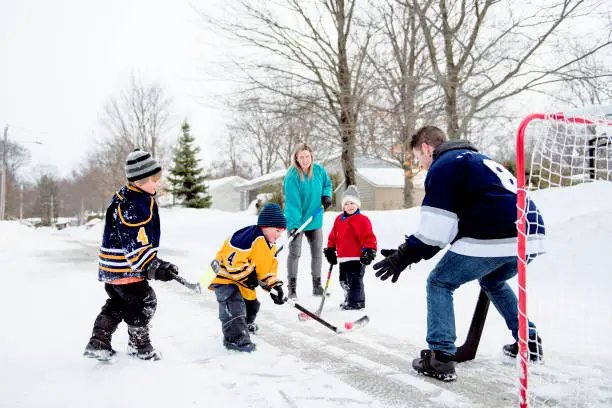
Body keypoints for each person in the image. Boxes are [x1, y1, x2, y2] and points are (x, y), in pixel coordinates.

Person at [372, 126, 546, 382]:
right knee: (492, 280)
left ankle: (441, 358)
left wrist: (404, 255)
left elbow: (436, 231)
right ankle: (528, 341)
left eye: (418, 158)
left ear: (426, 148)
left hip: (497, 235)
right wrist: (408, 250)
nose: (421, 165)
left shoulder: (443, 166)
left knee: (440, 281)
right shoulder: (479, 160)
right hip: (531, 235)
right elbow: (448, 227)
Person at [84, 149, 179, 362]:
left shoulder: (134, 197)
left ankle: (99, 342)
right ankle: (140, 346)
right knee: (143, 301)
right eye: (153, 180)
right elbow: (134, 241)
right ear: (138, 180)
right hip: (125, 267)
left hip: (114, 268)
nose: (156, 184)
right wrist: (153, 266)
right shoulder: (132, 204)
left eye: (157, 179)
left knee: (119, 302)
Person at [209, 203, 287, 352]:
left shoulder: (271, 245)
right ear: (265, 226)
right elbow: (233, 261)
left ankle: (244, 325)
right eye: (277, 230)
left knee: (252, 305)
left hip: (244, 282)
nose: (279, 235)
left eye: (282, 232)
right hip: (227, 279)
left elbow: (267, 270)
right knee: (234, 307)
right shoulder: (248, 237)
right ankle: (236, 338)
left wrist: (274, 286)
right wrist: (248, 274)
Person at [284, 142, 333, 299]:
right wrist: (294, 226)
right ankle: (292, 289)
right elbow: (293, 204)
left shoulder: (318, 170)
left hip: (315, 219)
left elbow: (327, 184)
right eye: (301, 157)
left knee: (317, 253)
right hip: (297, 221)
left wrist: (327, 195)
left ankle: (317, 286)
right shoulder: (292, 176)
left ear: (311, 156)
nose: (305, 160)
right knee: (295, 254)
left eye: (307, 156)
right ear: (296, 159)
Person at [324, 185, 377, 310]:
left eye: (352, 203)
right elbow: (333, 237)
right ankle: (349, 299)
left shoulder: (362, 220)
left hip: (357, 258)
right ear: (343, 206)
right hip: (343, 258)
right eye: (346, 203)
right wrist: (331, 250)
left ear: (358, 204)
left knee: (355, 281)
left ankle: (356, 302)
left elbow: (369, 237)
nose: (350, 206)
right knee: (344, 281)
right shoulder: (338, 220)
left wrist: (369, 251)